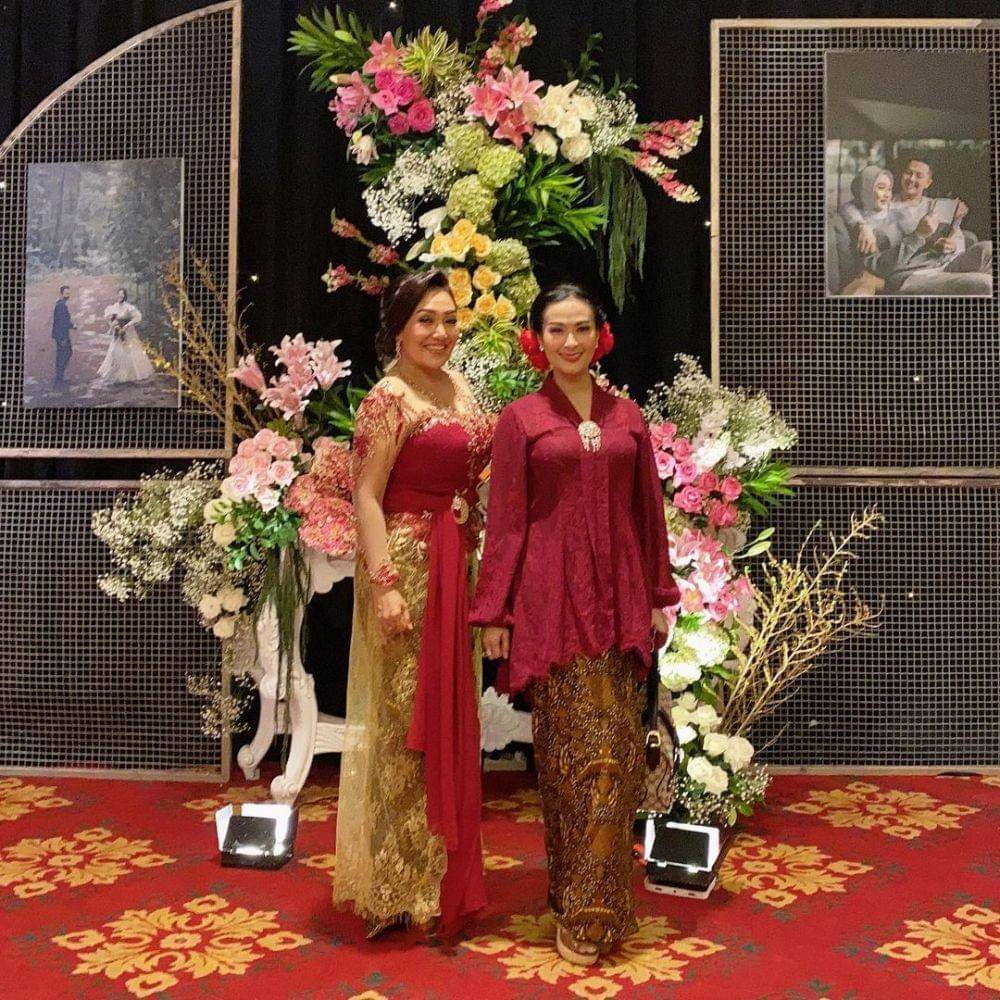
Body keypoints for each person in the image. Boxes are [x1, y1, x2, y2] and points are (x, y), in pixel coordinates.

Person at [470, 283, 678, 965]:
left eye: (581, 328)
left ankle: (599, 904)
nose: (570, 342)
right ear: (537, 339)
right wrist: (495, 611)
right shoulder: (521, 419)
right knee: (567, 761)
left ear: (600, 335)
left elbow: (648, 514)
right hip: (550, 606)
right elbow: (506, 523)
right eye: (556, 330)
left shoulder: (628, 417)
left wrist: (658, 596)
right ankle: (573, 894)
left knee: (615, 755)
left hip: (620, 603)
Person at [333, 269, 491, 939]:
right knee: (406, 725)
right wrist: (385, 581)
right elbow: (366, 495)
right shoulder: (388, 398)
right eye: (426, 319)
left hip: (457, 566)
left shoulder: (459, 387)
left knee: (451, 721)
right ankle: (394, 885)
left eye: (450, 320)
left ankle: (437, 877)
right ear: (399, 327)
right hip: (410, 566)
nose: (440, 332)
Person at [96, 287, 155, 384]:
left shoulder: (128, 307)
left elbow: (137, 317)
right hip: (117, 333)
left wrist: (127, 325)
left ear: (125, 296)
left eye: (122, 294)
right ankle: (116, 373)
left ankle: (131, 374)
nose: (120, 296)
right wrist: (113, 325)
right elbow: (110, 319)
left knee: (129, 351)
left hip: (127, 333)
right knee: (114, 352)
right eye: (119, 294)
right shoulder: (114, 307)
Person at [51, 285, 75, 386]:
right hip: (61, 335)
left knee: (62, 354)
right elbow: (62, 322)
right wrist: (63, 338)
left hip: (60, 334)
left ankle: (59, 376)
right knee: (65, 353)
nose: (67, 295)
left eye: (68, 293)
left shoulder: (60, 304)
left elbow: (64, 320)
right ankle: (59, 377)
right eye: (66, 293)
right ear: (61, 294)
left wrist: (72, 325)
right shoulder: (61, 305)